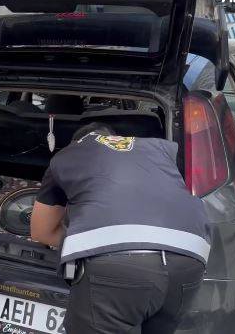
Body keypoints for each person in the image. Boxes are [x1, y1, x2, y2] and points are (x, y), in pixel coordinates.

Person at [30, 123, 211, 334]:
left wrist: (78, 231)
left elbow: (41, 231)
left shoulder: (68, 156)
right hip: (190, 259)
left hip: (118, 268)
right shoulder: (158, 149)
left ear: (76, 142)